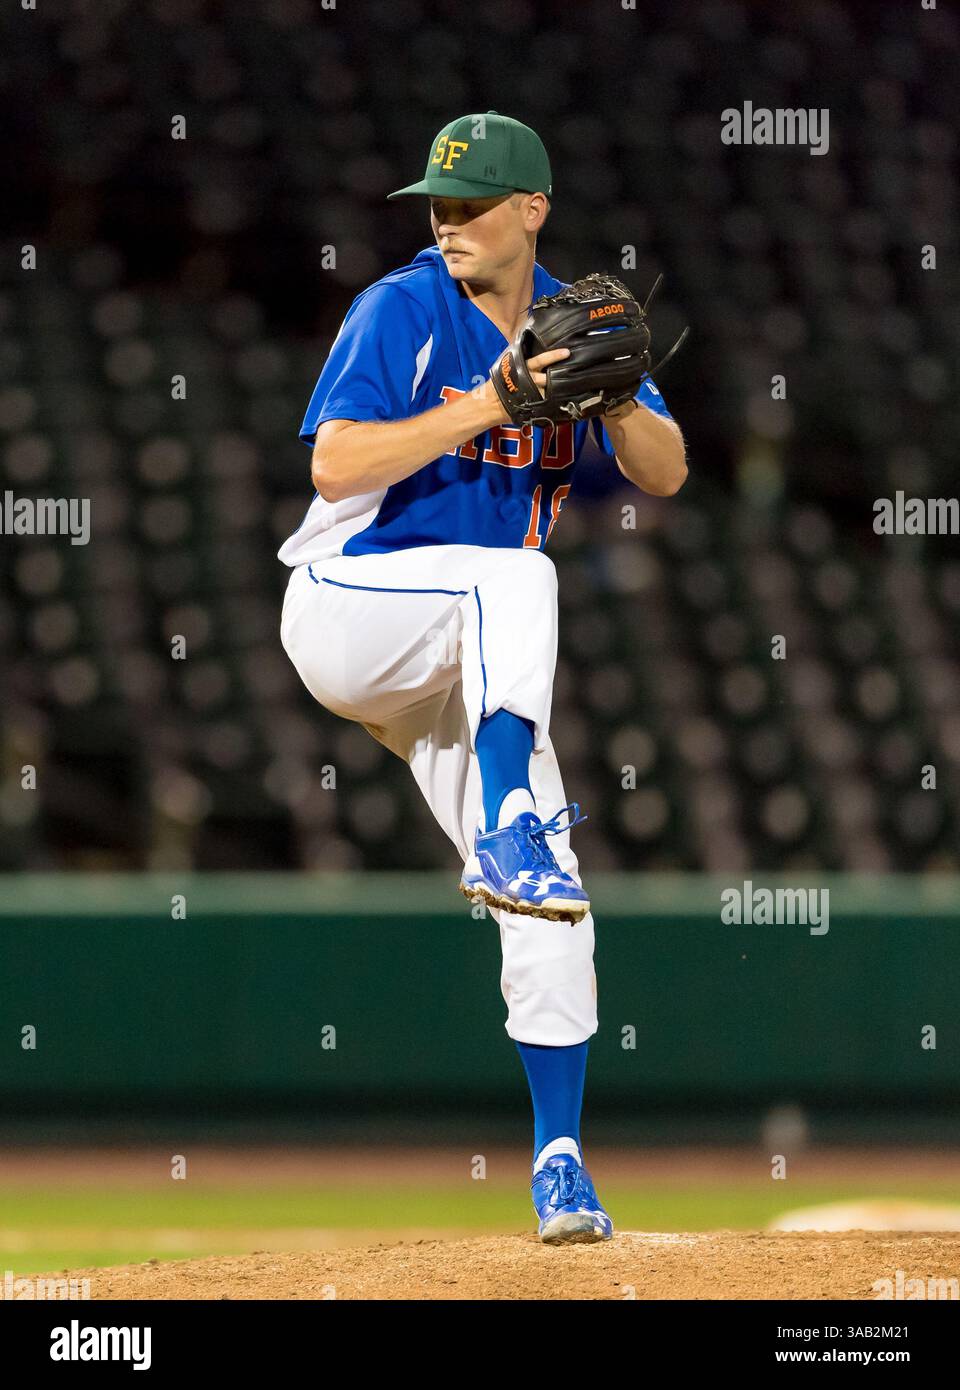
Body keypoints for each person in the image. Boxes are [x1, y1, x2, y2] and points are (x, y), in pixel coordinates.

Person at [279, 112, 687, 1243]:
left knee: (552, 897)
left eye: (470, 203)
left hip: (463, 665)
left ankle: (560, 1160)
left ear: (533, 209)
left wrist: (611, 398)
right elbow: (332, 459)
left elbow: (668, 468)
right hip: (350, 607)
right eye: (439, 204)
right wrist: (491, 404)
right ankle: (506, 811)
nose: (448, 221)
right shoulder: (401, 305)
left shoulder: (575, 323)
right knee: (519, 580)